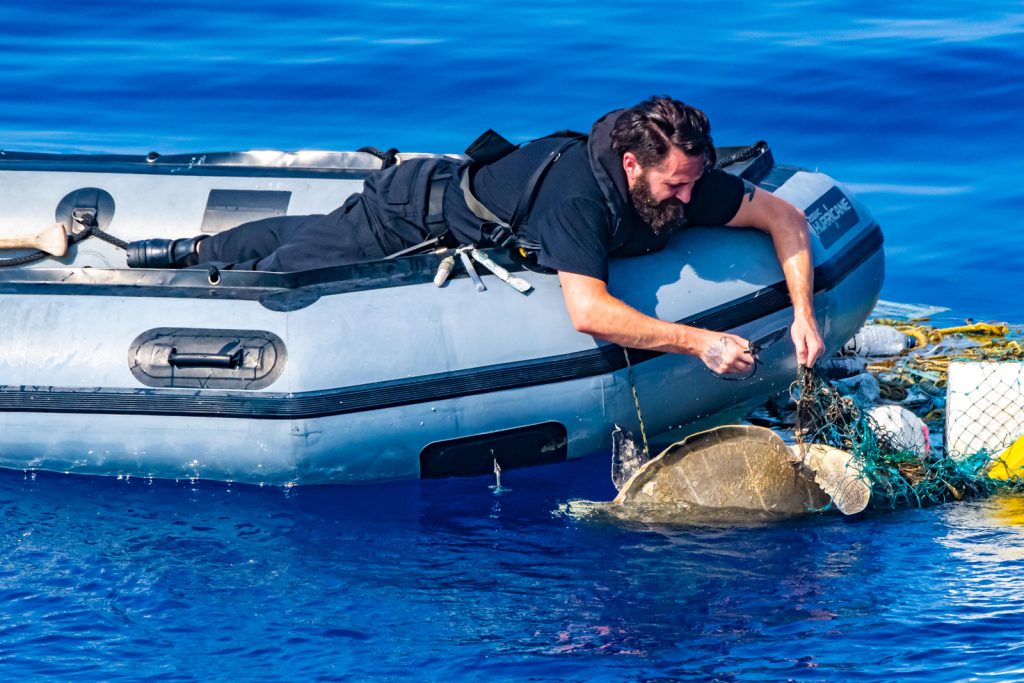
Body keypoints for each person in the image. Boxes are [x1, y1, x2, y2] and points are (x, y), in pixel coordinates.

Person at [126, 96, 824, 373]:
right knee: (285, 272)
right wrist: (698, 339)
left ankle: (193, 246)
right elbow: (590, 313)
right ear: (634, 163)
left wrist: (803, 314)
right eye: (676, 184)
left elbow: (784, 218)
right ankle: (180, 275)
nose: (690, 197)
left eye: (696, 183)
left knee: (306, 233)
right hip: (408, 216)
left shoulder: (686, 180)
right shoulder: (581, 200)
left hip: (467, 189)